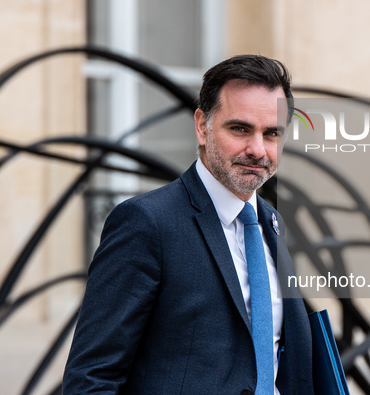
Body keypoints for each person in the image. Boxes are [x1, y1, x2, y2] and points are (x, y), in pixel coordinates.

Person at [63, 55, 313, 394]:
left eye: (272, 133)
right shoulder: (146, 223)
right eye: (240, 128)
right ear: (201, 125)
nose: (257, 149)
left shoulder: (272, 222)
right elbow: (92, 378)